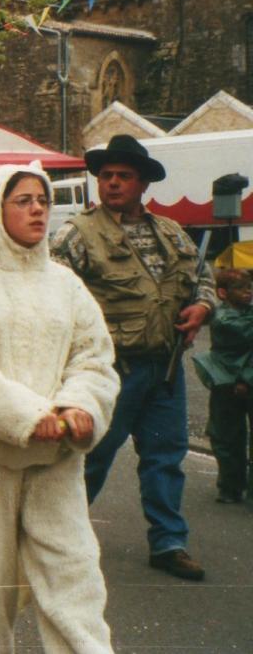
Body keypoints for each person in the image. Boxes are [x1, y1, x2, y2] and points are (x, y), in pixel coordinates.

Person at [0, 162, 119, 653]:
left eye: (43, 201)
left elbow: (93, 358)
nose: (38, 210)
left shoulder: (66, 285)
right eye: (23, 201)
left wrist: (80, 406)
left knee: (75, 581)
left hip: (57, 460)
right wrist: (29, 416)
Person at [51, 133, 216, 581]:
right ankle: (58, 539)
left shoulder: (172, 232)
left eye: (124, 176)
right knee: (90, 457)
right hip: (109, 372)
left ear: (143, 183)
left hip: (165, 370)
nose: (113, 183)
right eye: (106, 175)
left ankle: (169, 543)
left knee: (165, 458)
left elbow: (203, 278)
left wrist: (203, 307)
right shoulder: (76, 234)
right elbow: (53, 294)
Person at [192, 268, 253, 503]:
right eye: (240, 288)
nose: (248, 292)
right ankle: (230, 486)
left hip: (239, 380)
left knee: (228, 435)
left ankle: (236, 487)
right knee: (227, 437)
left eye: (250, 287)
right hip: (227, 383)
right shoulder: (225, 320)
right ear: (223, 293)